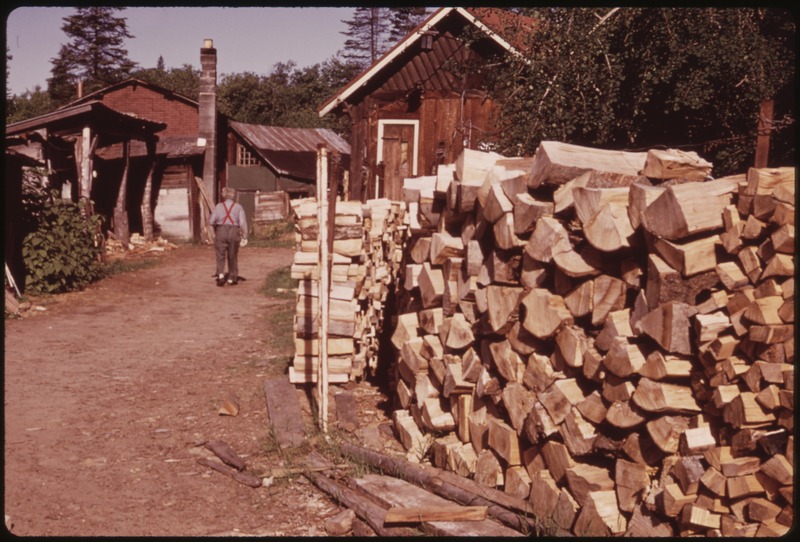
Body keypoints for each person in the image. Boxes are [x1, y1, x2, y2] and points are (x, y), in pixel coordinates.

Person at [208, 186, 248, 286]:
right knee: (233, 255)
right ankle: (232, 277)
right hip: (234, 231)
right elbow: (242, 223)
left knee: (220, 254)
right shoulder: (238, 207)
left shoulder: (218, 206)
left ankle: (221, 275)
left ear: (224, 195)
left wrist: (214, 233)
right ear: (232, 195)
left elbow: (211, 221)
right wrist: (245, 235)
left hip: (221, 230)